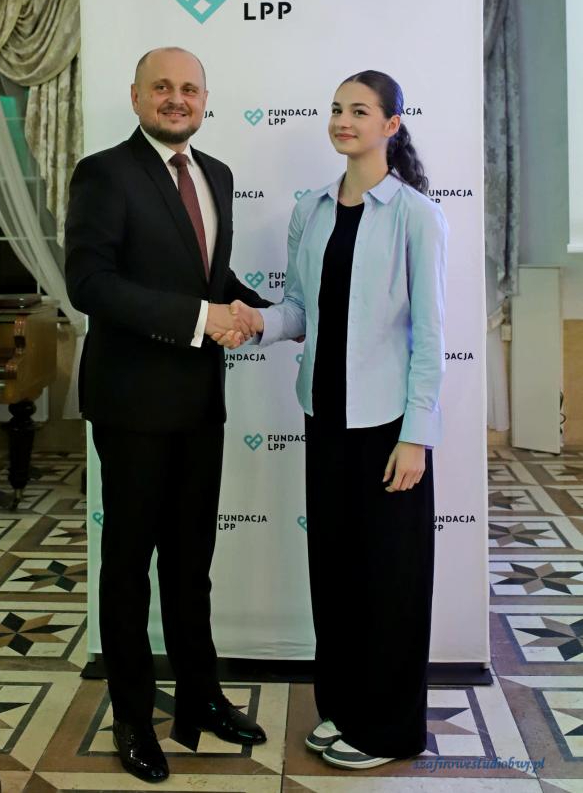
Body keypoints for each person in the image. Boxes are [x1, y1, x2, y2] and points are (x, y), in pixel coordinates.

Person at [214, 70, 448, 770]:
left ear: (391, 125)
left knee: (390, 581)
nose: (343, 120)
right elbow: (299, 313)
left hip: (387, 427)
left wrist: (416, 436)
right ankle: (344, 708)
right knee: (338, 574)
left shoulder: (414, 214)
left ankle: (388, 730)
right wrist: (256, 321)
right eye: (337, 109)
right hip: (324, 417)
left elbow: (430, 335)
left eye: (360, 111)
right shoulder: (312, 209)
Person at [65, 47, 270, 783]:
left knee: (191, 566)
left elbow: (210, 278)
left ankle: (200, 699)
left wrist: (262, 312)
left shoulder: (218, 174)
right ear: (136, 96)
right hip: (131, 406)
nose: (176, 98)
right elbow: (90, 283)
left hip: (200, 403)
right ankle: (130, 716)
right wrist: (199, 318)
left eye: (189, 88)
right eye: (162, 87)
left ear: (205, 99)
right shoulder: (103, 174)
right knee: (127, 568)